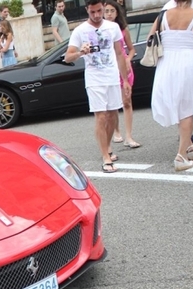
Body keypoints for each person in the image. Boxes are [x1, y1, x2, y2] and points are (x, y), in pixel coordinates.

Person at [64, 0, 131, 173]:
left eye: (99, 11)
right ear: (87, 10)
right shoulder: (80, 31)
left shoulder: (112, 27)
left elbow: (119, 53)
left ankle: (107, 146)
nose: (96, 15)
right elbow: (67, 57)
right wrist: (81, 52)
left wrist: (125, 80)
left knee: (112, 116)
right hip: (94, 79)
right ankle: (105, 157)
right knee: (101, 116)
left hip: (112, 77)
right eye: (92, 12)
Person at [150, 0, 193, 171]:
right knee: (188, 109)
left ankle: (187, 146)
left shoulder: (163, 15)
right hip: (189, 62)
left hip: (167, 64)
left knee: (179, 106)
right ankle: (181, 155)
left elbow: (151, 37)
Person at [105, 0, 140, 148]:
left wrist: (128, 59)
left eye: (112, 11)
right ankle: (116, 131)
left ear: (117, 12)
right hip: (110, 68)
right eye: (106, 11)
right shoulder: (102, 29)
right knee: (112, 104)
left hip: (124, 67)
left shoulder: (123, 29)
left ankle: (129, 136)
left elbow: (132, 49)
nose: (109, 14)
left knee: (127, 101)